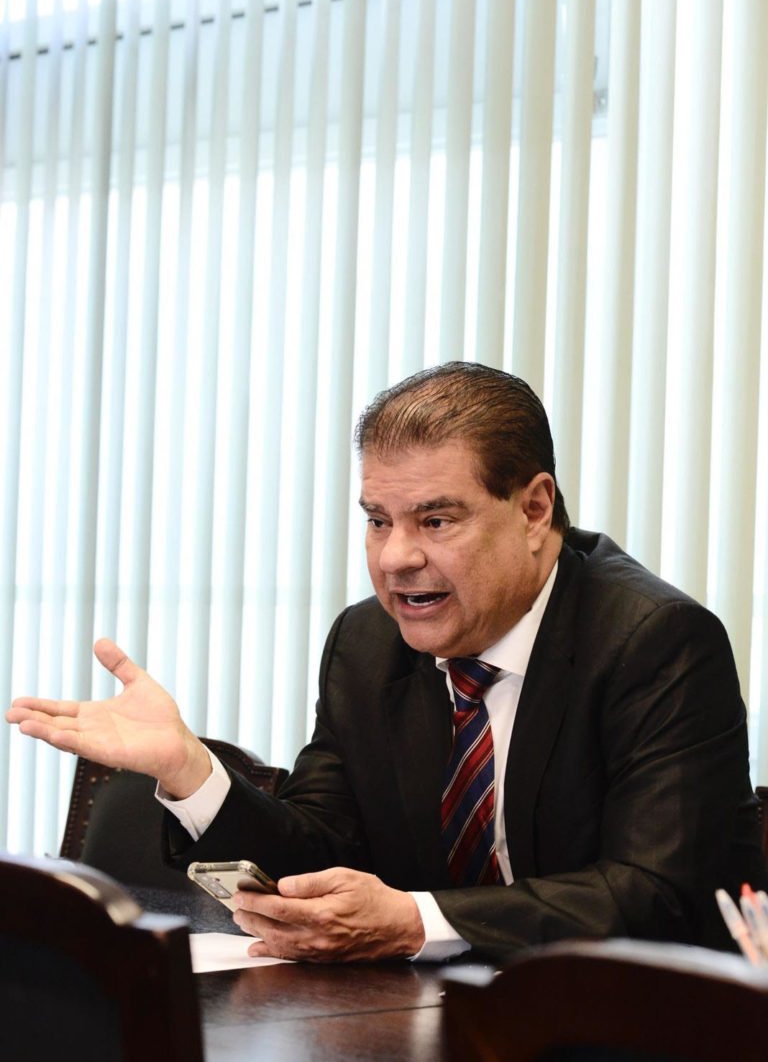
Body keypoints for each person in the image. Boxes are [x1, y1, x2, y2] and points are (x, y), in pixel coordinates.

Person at [6, 362, 765, 963]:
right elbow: (320, 853)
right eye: (378, 521)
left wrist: (414, 921)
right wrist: (190, 773)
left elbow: (656, 894)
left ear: (535, 510)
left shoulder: (655, 642)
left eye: (436, 520)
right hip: (415, 1025)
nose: (396, 557)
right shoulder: (368, 643)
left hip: (627, 1044)